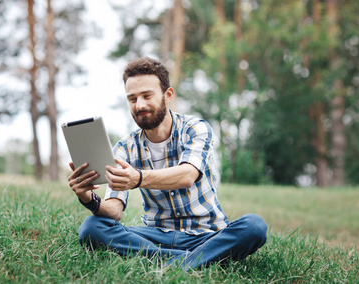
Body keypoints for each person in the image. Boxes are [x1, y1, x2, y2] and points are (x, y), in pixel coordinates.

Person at [68, 57, 267, 270]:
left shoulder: (195, 128)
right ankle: (193, 261)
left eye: (147, 95)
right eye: (132, 99)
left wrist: (138, 178)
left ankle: (167, 263)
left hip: (206, 235)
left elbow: (187, 175)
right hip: (155, 235)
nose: (140, 105)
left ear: (168, 95)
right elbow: (115, 211)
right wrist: (88, 198)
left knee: (254, 226)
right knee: (92, 227)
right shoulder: (124, 148)